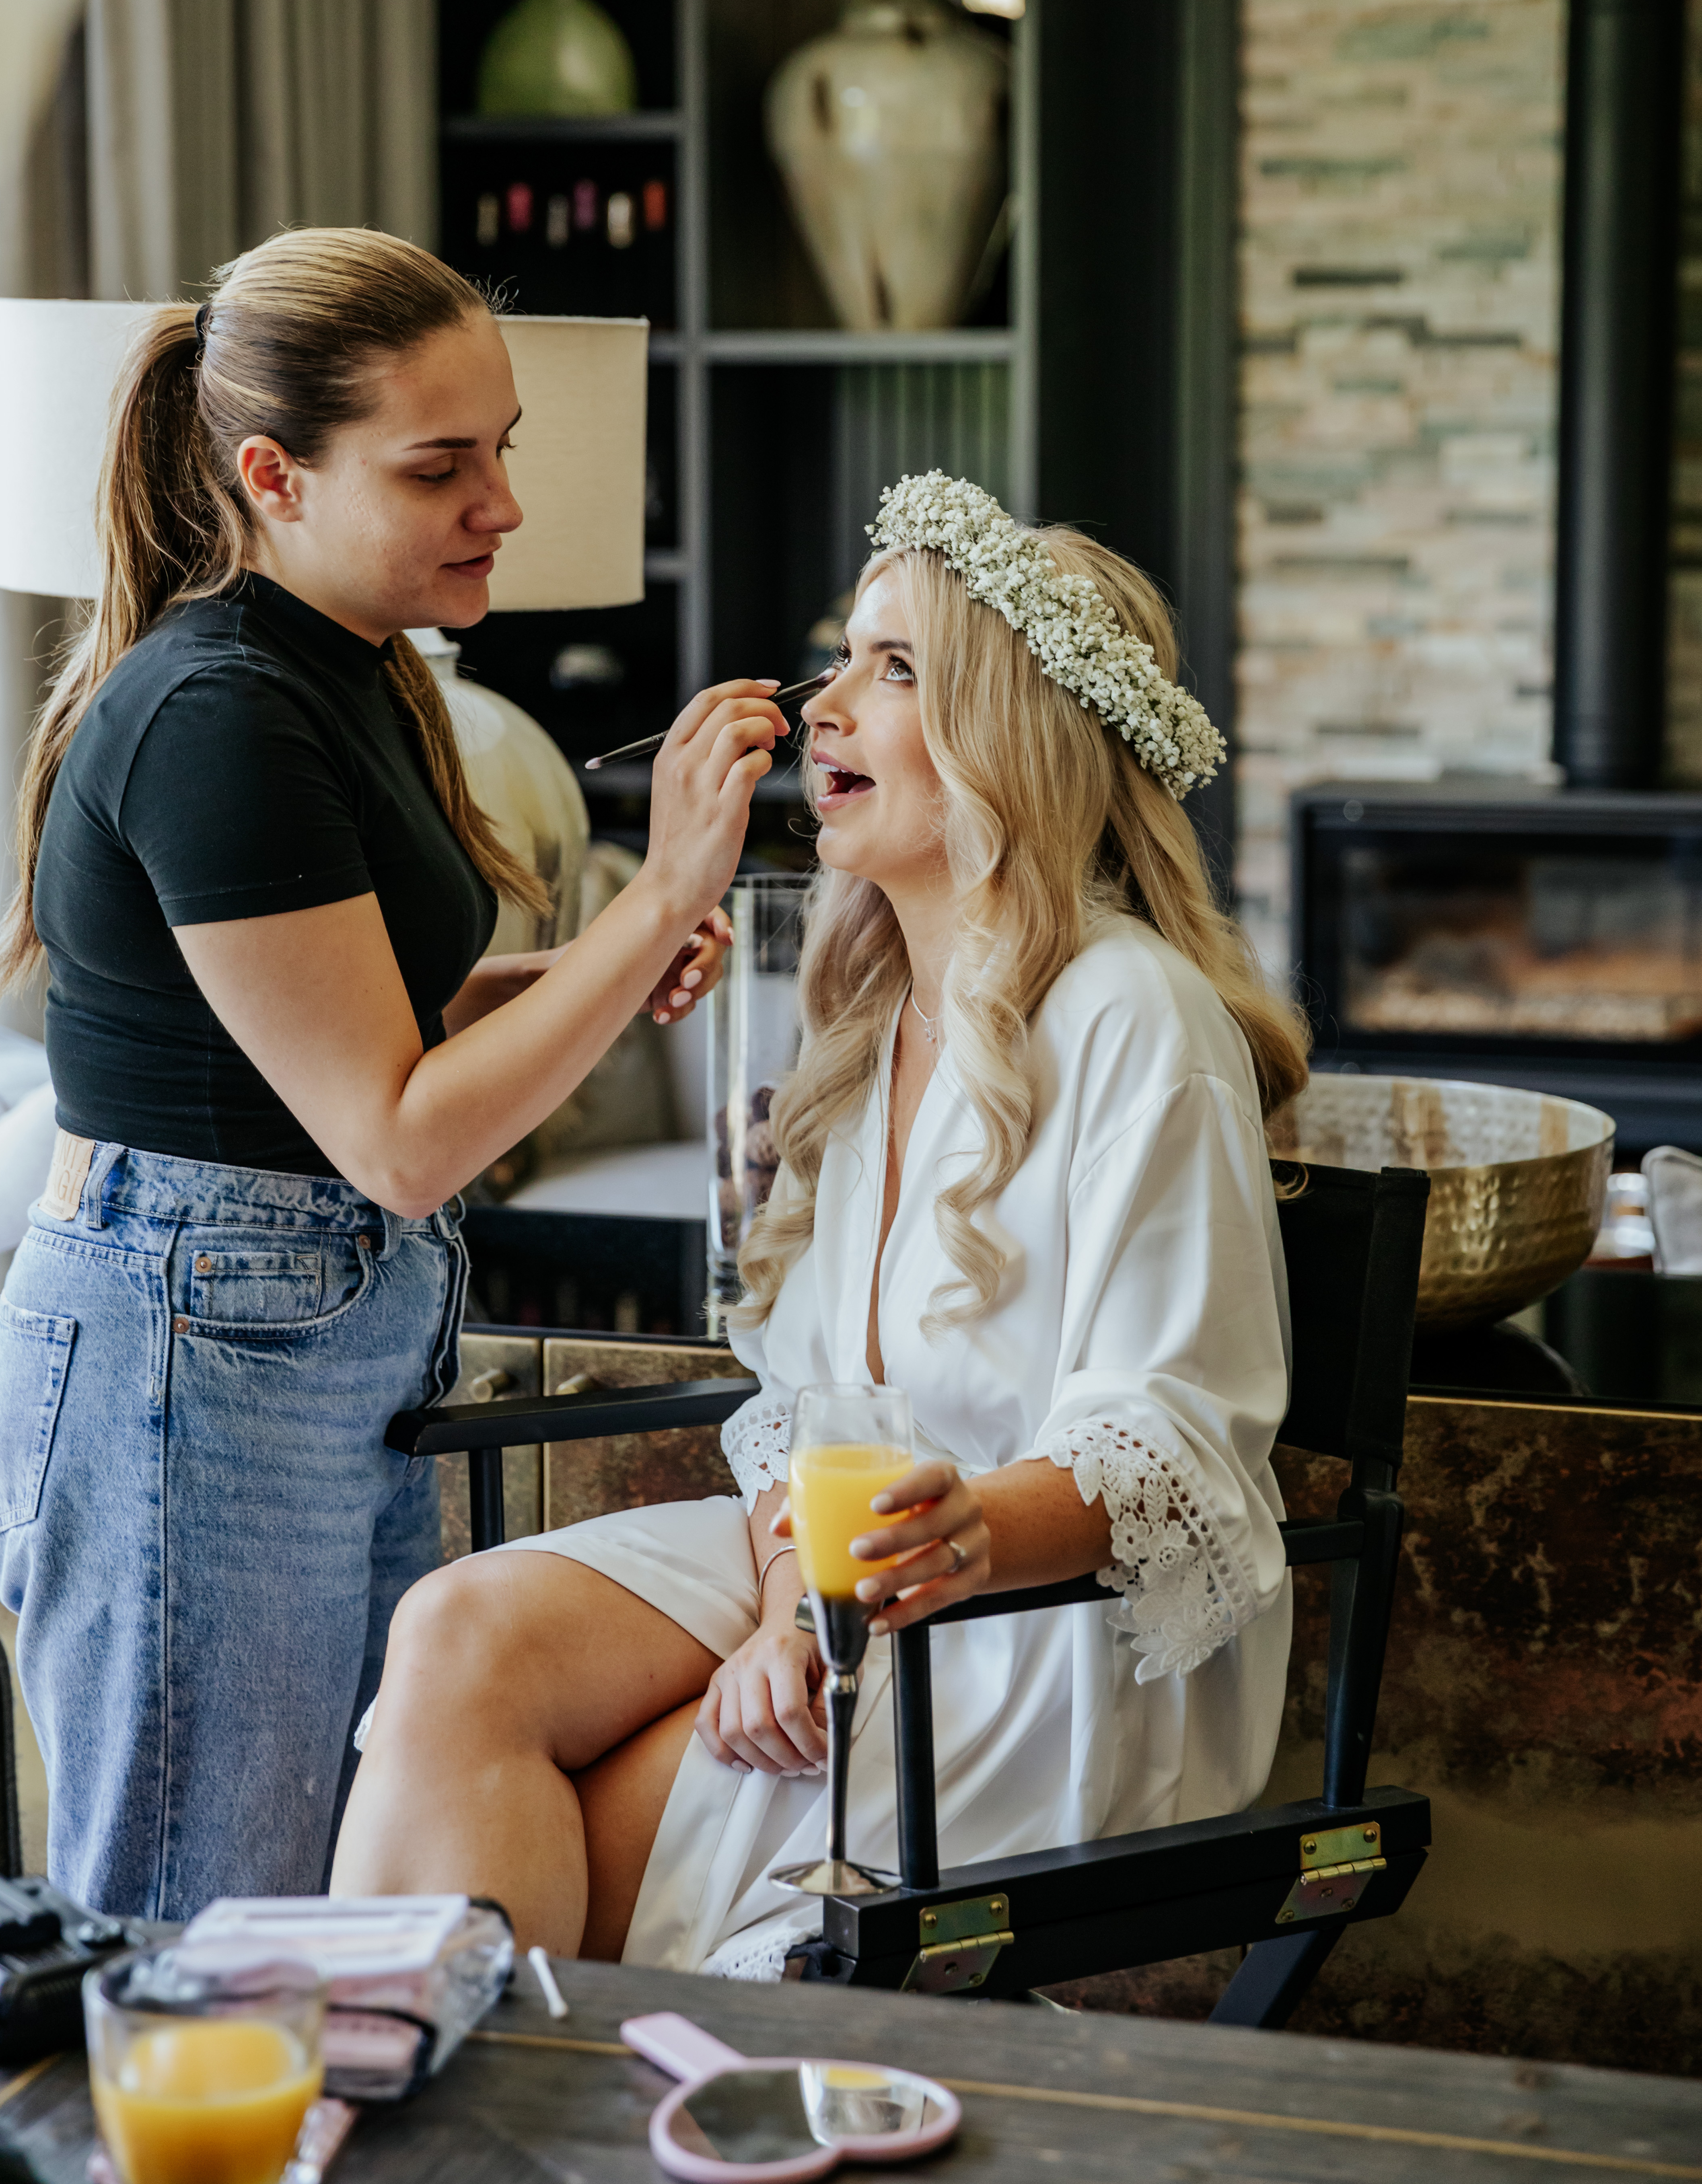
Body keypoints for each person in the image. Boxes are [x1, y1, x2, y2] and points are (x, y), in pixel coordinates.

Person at [333, 469, 1309, 1978]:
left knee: (574, 1849)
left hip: (1034, 1626)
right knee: (459, 1635)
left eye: (894, 668)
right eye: (842, 654)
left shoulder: (1136, 1017)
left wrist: (947, 1544)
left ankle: (457, 2112)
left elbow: (1178, 1443)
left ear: (1014, 739)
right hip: (852, 1574)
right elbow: (809, 1408)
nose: (820, 705)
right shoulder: (869, 1016)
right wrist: (798, 1600)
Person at [0, 227, 784, 1920]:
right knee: (201, 1930)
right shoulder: (217, 711)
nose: (498, 502)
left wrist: (592, 966)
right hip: (194, 1339)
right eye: (441, 466)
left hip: (297, 1319)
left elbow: (344, 1015)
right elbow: (399, 1139)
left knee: (324, 1934)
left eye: (502, 448)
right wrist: (653, 898)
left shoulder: (345, 669)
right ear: (271, 474)